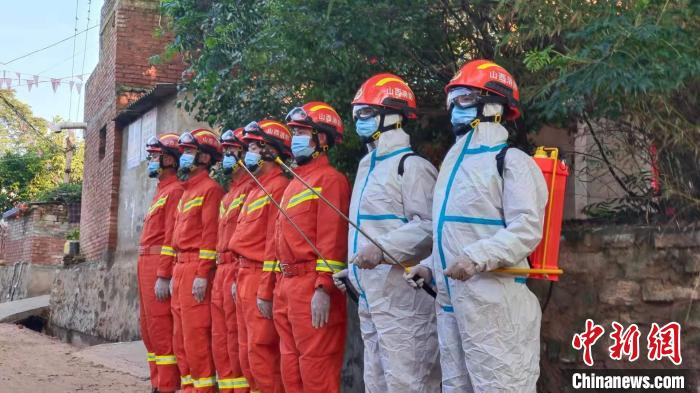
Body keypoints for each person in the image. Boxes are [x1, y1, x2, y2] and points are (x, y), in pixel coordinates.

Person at [404, 59, 548, 392]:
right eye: (453, 101)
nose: (455, 108)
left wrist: (476, 257)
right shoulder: (454, 167)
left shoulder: (511, 161)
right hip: (453, 305)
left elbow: (526, 229)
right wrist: (429, 267)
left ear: (493, 104)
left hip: (496, 309)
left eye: (465, 99)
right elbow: (450, 235)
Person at [333, 73, 441, 393]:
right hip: (372, 297)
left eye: (367, 114)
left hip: (404, 301)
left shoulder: (412, 167)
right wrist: (352, 270)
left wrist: (381, 249)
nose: (359, 121)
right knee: (376, 380)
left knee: (409, 381)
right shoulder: (368, 167)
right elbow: (365, 230)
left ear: (393, 116)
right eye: (357, 115)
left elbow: (428, 228)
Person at [273, 102, 350, 393]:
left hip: (311, 287)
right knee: (290, 369)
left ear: (322, 138)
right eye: (294, 132)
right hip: (287, 286)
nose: (295, 138)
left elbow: (332, 240)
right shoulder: (294, 184)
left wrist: (323, 289)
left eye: (302, 131)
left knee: (316, 370)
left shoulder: (331, 181)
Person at [229, 120, 292, 393]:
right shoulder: (256, 188)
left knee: (262, 352)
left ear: (269, 150)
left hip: (258, 277)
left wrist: (266, 288)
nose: (249, 152)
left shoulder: (277, 187)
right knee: (247, 353)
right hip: (244, 274)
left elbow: (272, 245)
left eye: (254, 146)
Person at [171, 128, 225, 393]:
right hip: (181, 268)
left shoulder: (211, 190)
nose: (184, 157)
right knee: (180, 339)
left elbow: (209, 236)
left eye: (189, 152)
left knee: (196, 340)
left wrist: (203, 274)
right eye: (183, 152)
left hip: (194, 269)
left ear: (204, 157)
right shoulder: (186, 192)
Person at [139, 133, 184, 393]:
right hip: (145, 260)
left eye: (155, 156)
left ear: (169, 159)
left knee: (161, 326)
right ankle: (157, 381)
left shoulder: (175, 191)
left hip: (156, 262)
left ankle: (166, 386)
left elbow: (170, 237)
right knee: (148, 328)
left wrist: (163, 273)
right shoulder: (161, 191)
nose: (151, 161)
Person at [211, 127, 253, 392]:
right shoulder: (229, 194)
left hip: (238, 270)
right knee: (222, 342)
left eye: (232, 151)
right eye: (225, 151)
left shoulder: (251, 189)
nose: (227, 155)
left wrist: (238, 274)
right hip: (221, 270)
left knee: (240, 343)